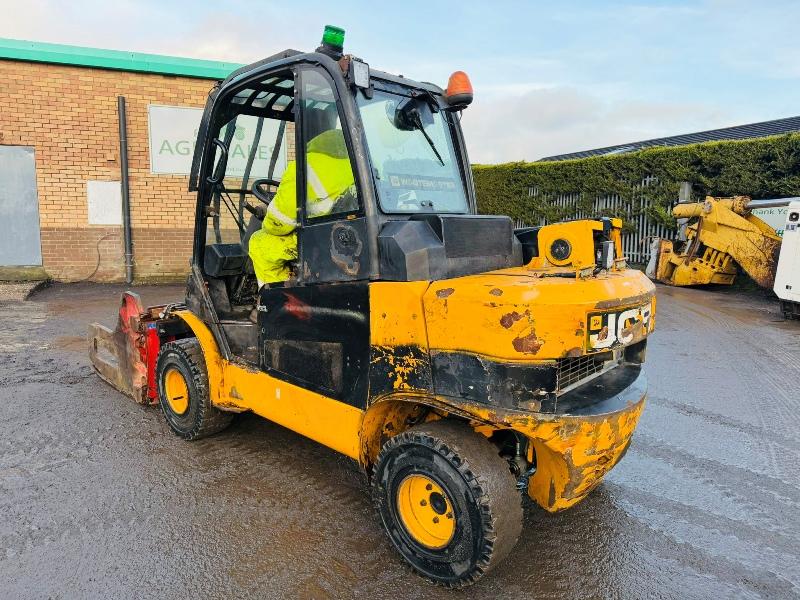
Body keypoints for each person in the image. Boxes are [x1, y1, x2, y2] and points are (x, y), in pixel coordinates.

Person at [248, 127, 355, 285]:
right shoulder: (356, 163)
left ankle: (275, 301)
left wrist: (267, 219)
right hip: (350, 234)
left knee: (258, 243)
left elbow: (279, 223)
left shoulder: (305, 166)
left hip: (322, 238)